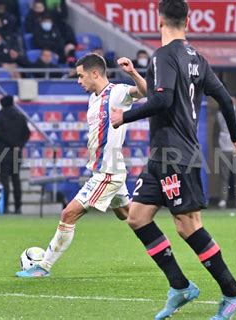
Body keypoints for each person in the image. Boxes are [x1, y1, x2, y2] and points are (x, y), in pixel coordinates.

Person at [109, 1, 236, 319]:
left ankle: (233, 292)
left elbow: (163, 99)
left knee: (188, 226)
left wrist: (124, 116)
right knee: (137, 216)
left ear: (158, 19)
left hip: (177, 155)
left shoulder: (163, 55)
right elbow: (224, 97)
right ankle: (180, 286)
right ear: (189, 19)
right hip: (162, 155)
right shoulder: (196, 58)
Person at [16, 53, 147, 277]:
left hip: (109, 172)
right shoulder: (94, 98)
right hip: (106, 170)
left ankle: (43, 267)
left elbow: (144, 92)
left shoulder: (115, 93)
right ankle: (163, 247)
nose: (79, 81)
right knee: (129, 215)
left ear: (95, 73)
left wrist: (133, 73)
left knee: (68, 214)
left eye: (81, 76)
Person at [0, 96, 30, 214]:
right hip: (16, 152)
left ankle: (5, 207)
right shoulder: (20, 116)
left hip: (3, 152)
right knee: (16, 179)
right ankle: (18, 207)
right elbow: (27, 133)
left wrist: (12, 144)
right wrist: (19, 145)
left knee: (4, 180)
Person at [217, 97, 236, 209]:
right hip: (224, 147)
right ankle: (223, 199)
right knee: (224, 175)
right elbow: (216, 131)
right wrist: (217, 147)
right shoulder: (220, 114)